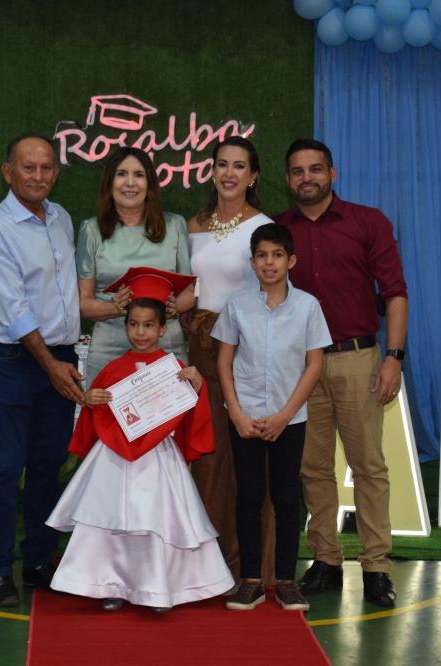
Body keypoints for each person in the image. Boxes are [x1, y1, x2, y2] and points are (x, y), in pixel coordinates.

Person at [47, 268, 234, 612]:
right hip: (115, 458)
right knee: (113, 521)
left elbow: (191, 415)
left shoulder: (174, 368)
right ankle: (113, 583)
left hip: (159, 459)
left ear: (163, 329)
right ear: (126, 326)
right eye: (134, 324)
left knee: (157, 520)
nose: (141, 332)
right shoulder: (113, 369)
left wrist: (196, 385)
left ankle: (160, 588)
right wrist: (91, 402)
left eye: (149, 325)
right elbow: (97, 412)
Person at [274, 138, 408, 608]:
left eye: (315, 169)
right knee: (312, 468)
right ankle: (326, 560)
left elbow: (394, 292)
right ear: (288, 179)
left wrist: (393, 356)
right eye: (297, 171)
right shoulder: (279, 230)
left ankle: (376, 567)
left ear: (332, 173)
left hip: (358, 359)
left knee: (368, 466)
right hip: (300, 365)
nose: (306, 178)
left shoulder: (367, 222)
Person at [0, 134, 83, 608]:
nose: (38, 176)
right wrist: (52, 365)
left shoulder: (61, 218)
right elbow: (14, 312)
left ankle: (38, 560)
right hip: (16, 361)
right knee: (6, 467)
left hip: (60, 357)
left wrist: (63, 362)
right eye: (28, 167)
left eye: (47, 167)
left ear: (55, 172)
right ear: (7, 171)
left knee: (47, 466)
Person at [212, 224, 331, 611]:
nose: (269, 262)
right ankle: (249, 580)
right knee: (247, 496)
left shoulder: (308, 306)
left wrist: (284, 415)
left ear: (290, 260)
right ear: (252, 262)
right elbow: (224, 361)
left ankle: (284, 580)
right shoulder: (237, 304)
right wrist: (237, 413)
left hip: (289, 421)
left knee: (285, 497)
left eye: (277, 255)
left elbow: (314, 365)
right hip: (245, 418)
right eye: (262, 255)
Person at [187, 136, 276, 582]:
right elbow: (188, 287)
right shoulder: (195, 224)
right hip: (196, 350)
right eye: (222, 164)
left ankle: (250, 567)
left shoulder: (263, 228)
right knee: (207, 457)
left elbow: (268, 295)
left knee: (247, 460)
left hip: (242, 351)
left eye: (239, 166)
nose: (229, 173)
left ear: (253, 175)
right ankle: (205, 566)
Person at [76, 147, 194, 388]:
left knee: (169, 425)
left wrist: (175, 307)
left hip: (166, 348)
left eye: (139, 175)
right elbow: (83, 304)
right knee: (108, 424)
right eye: (121, 174)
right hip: (109, 350)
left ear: (149, 184)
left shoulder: (175, 226)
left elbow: (190, 292)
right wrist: (115, 306)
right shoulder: (91, 230)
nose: (130, 183)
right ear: (110, 182)